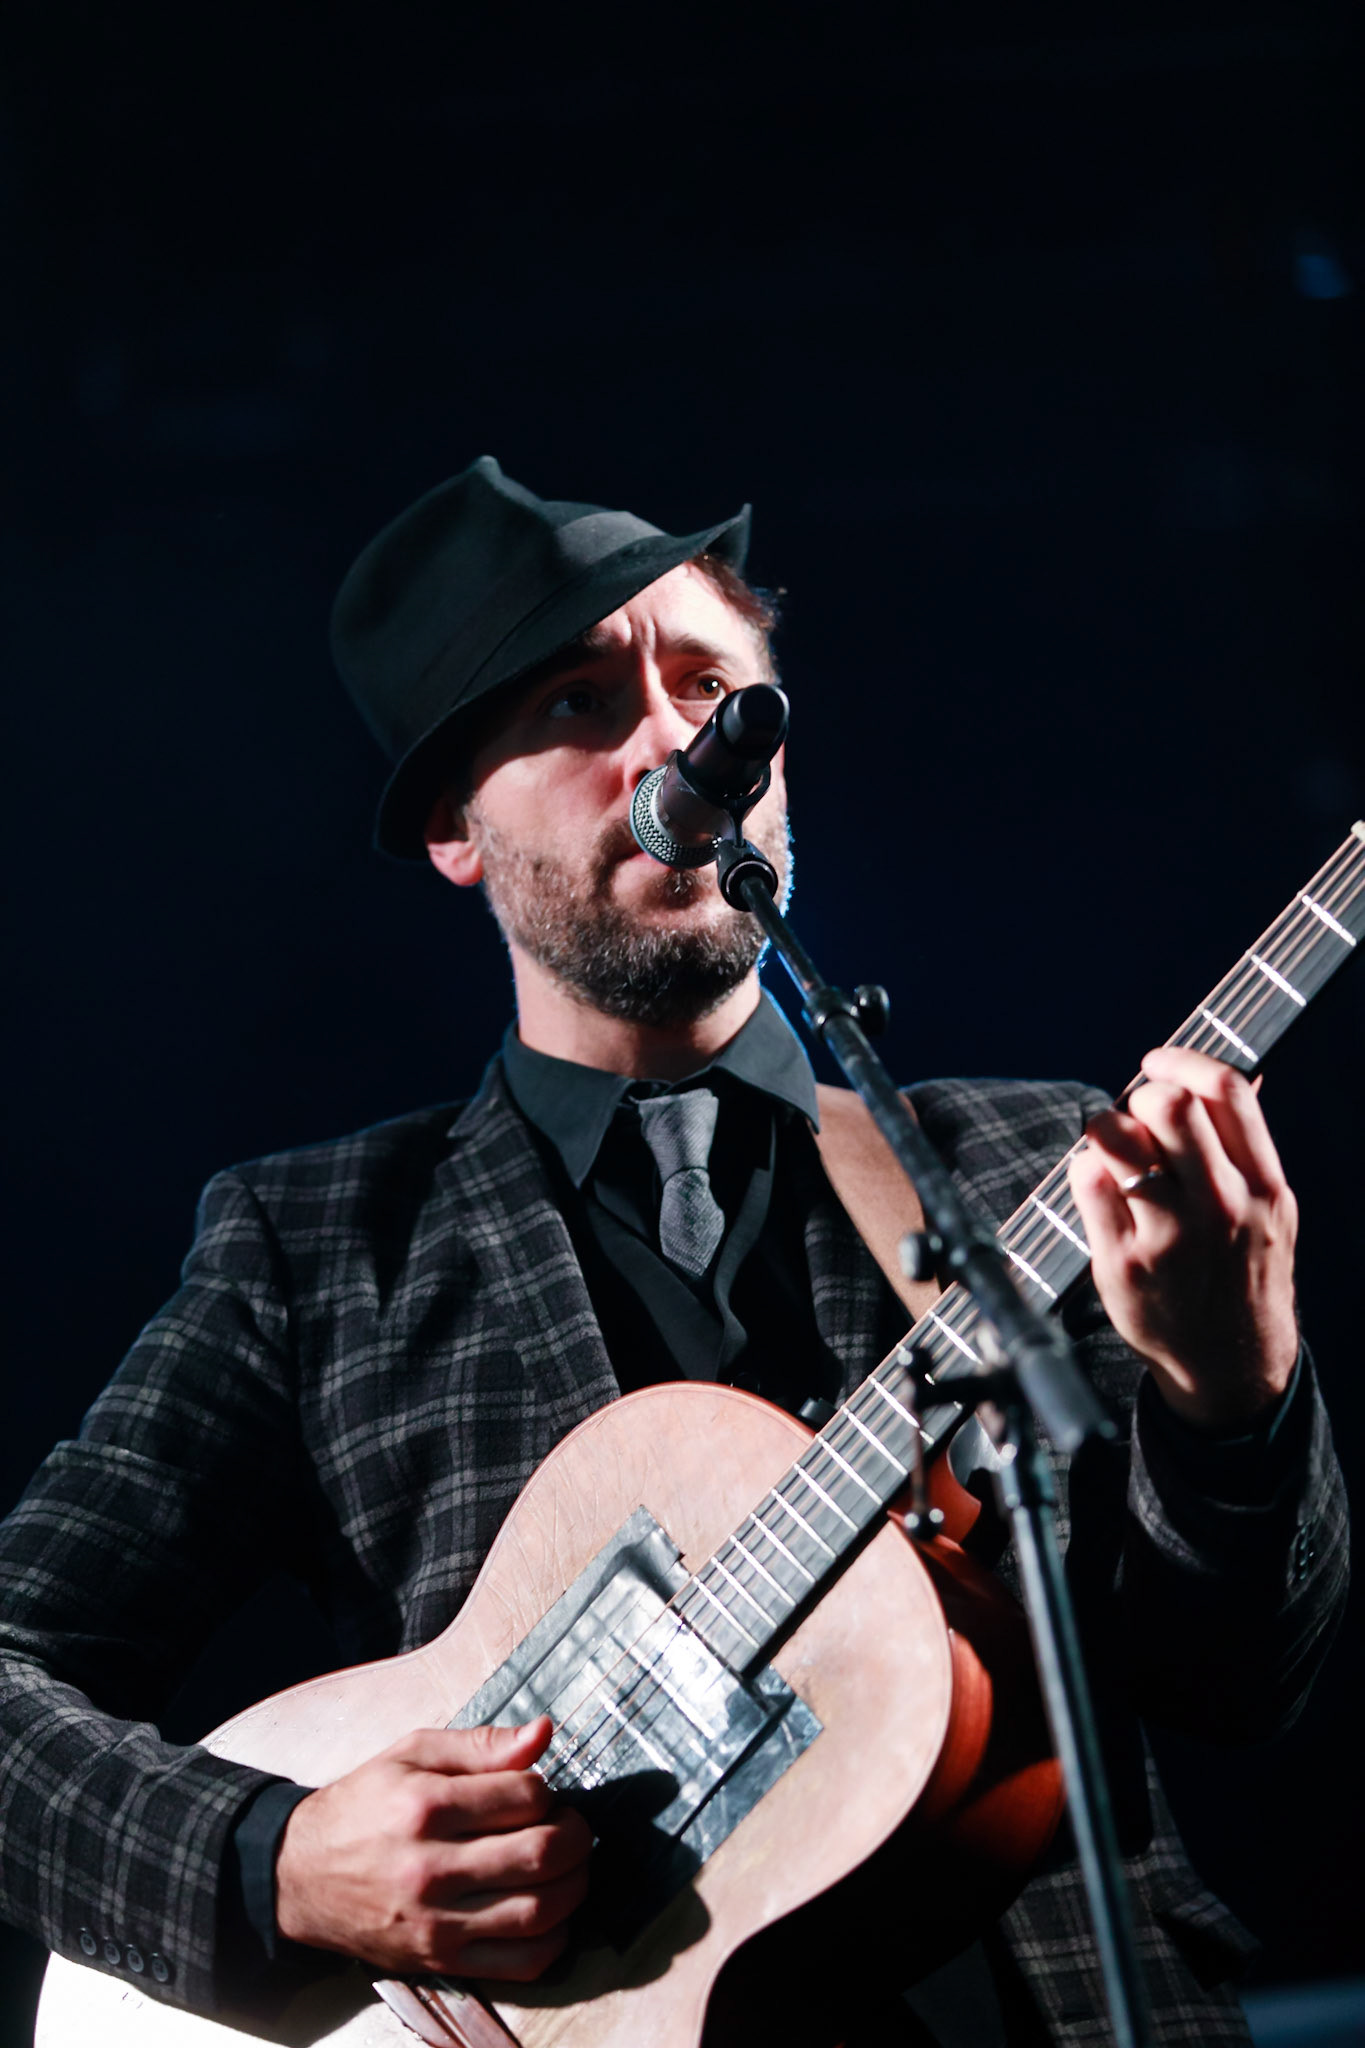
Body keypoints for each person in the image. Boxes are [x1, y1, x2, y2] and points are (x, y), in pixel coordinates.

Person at [0, 457, 1348, 2048]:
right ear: (451, 825)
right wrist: (274, 1861)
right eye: (579, 701)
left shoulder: (1025, 1169)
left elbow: (1239, 1680)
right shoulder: (314, 1253)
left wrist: (1231, 1392)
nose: (673, 743)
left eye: (712, 687)